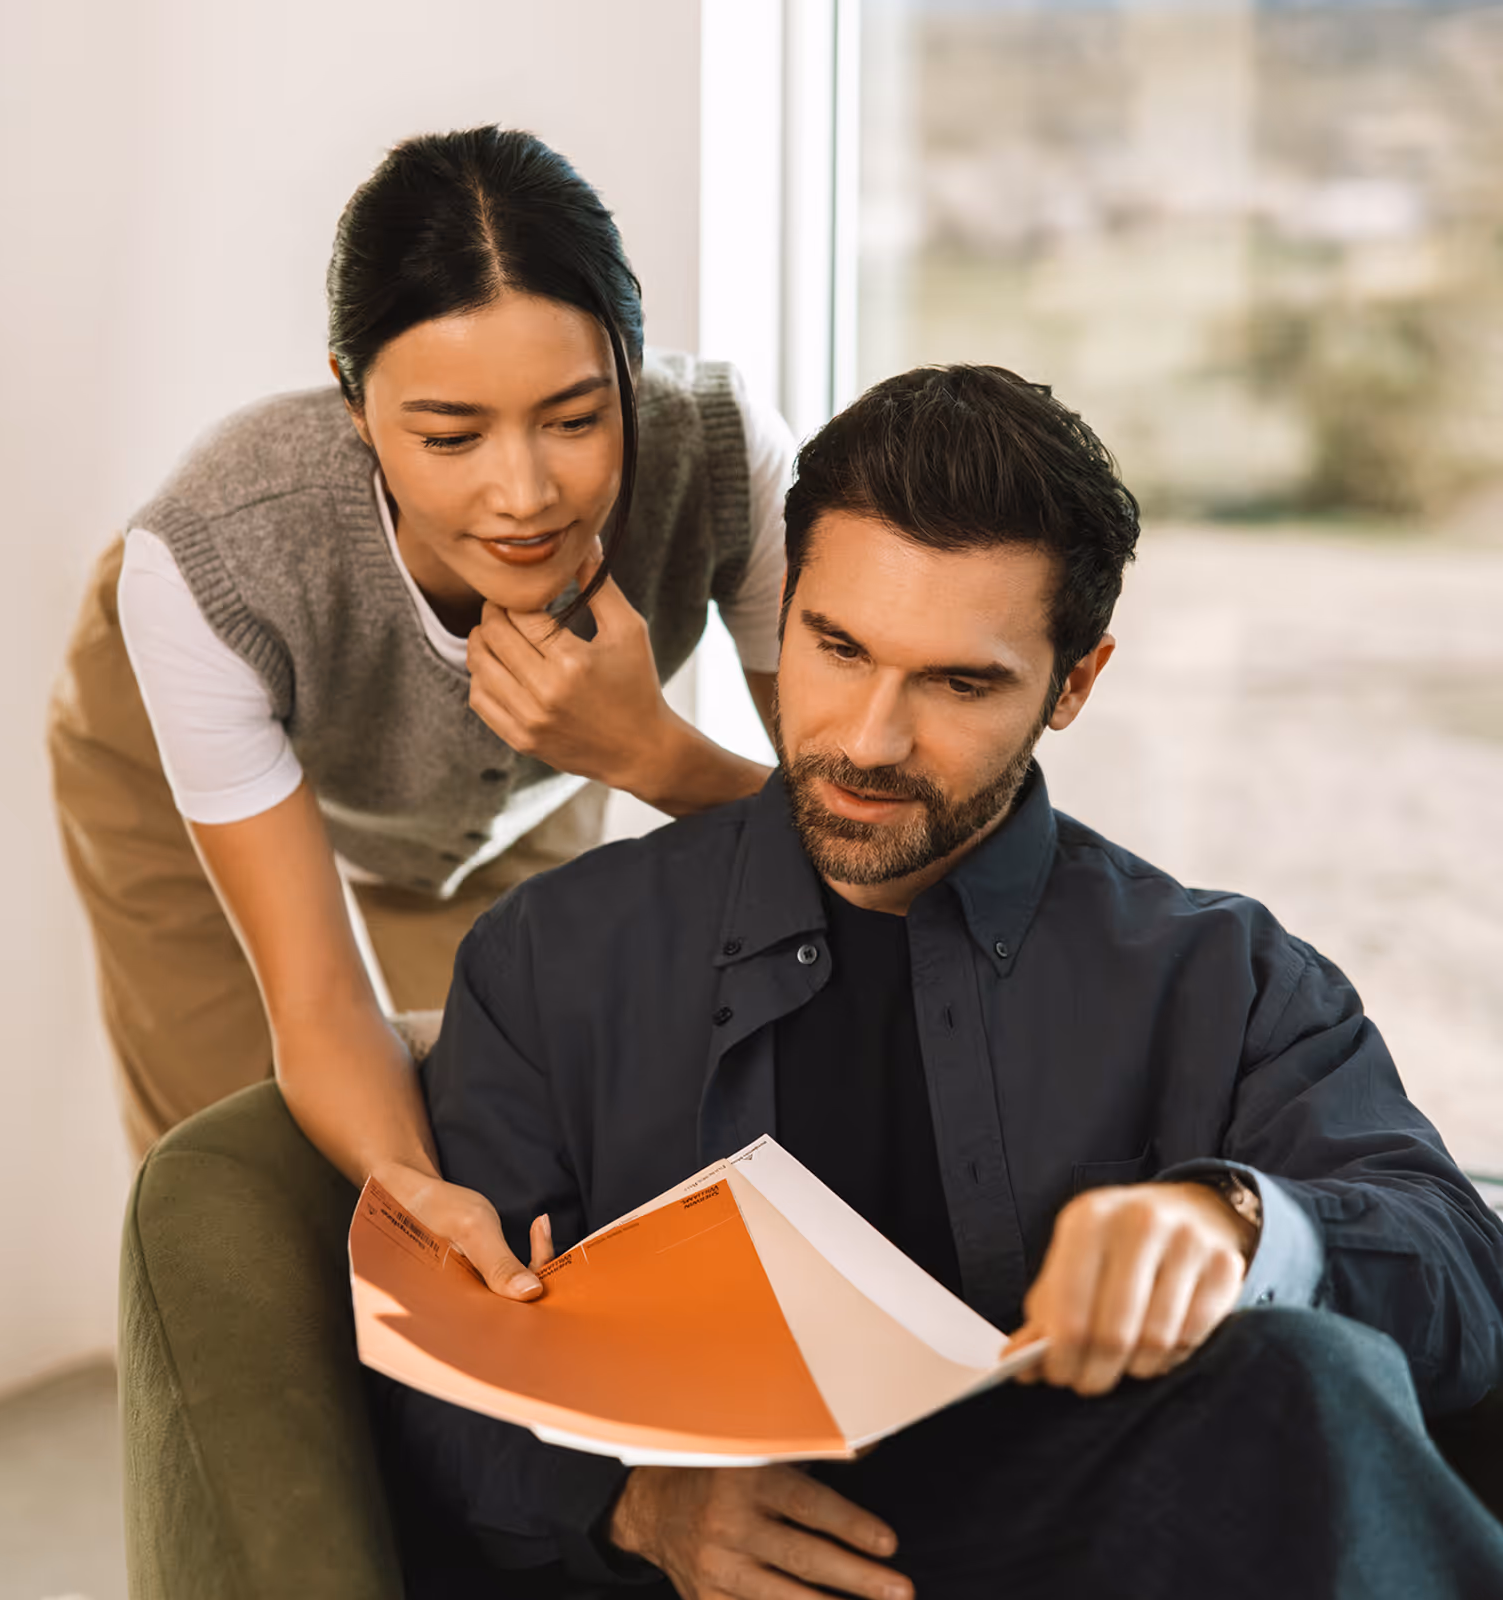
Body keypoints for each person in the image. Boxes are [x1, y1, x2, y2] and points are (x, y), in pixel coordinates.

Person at [378, 365, 1503, 1598]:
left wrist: (1239, 1225)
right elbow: (428, 1362)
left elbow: (1462, 1276)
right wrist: (634, 1505)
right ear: (786, 607)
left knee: (1304, 1377)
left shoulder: (1217, 975)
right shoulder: (552, 958)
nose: (868, 737)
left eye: (959, 683)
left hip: (1115, 1553)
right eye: (837, 646)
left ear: (1073, 682)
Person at [46, 129, 791, 1256]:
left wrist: (651, 753)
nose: (524, 495)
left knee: (507, 1145)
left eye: (579, 420)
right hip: (173, 770)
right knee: (242, 1183)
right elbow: (321, 1003)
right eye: (449, 436)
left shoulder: (733, 462)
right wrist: (407, 1188)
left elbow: (860, 854)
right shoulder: (212, 558)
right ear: (353, 402)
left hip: (540, 774)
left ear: (632, 374)